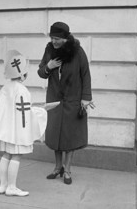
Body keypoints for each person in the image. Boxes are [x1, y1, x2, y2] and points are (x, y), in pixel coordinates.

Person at [37, 21, 94, 185]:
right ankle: (57, 168)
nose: (54, 41)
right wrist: (49, 66)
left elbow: (86, 75)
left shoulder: (77, 52)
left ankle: (67, 170)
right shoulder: (49, 50)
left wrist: (86, 98)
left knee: (70, 137)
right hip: (54, 100)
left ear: (66, 38)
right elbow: (41, 72)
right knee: (55, 135)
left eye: (58, 39)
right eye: (52, 38)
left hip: (73, 100)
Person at [0, 50, 47, 196]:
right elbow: (25, 112)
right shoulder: (22, 90)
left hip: (8, 129)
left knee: (6, 155)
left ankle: (2, 185)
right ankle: (11, 187)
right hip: (18, 130)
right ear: (22, 74)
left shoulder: (6, 87)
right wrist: (41, 111)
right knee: (16, 156)